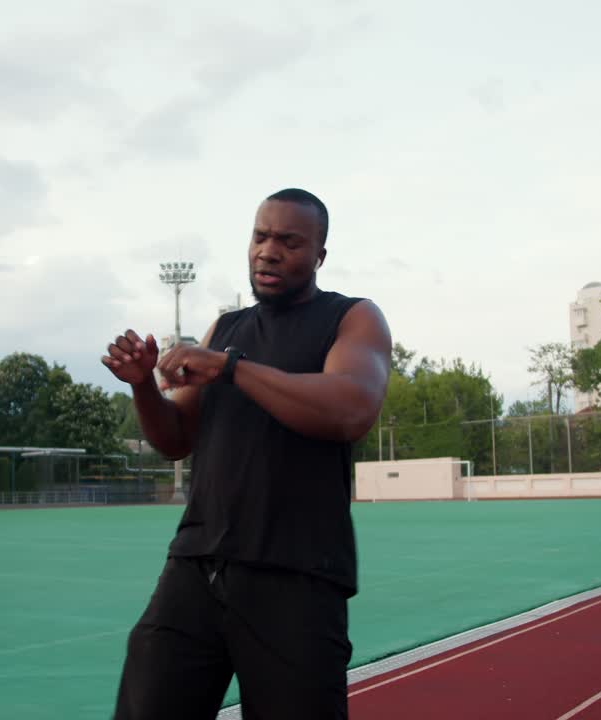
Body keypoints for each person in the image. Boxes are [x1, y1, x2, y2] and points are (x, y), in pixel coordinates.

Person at [102, 188, 392, 719]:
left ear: (319, 255)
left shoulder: (353, 318)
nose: (268, 251)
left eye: (289, 241)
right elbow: (174, 439)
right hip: (196, 563)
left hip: (297, 574)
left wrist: (231, 368)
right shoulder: (228, 328)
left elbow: (351, 409)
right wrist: (143, 385)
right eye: (260, 236)